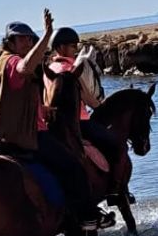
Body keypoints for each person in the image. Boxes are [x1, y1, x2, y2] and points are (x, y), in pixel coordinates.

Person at [0, 10, 114, 231]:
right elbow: (25, 67)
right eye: (22, 39)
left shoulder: (0, 64)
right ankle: (87, 217)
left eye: (30, 39)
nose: (28, 43)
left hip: (6, 133)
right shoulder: (13, 62)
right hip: (27, 135)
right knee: (73, 166)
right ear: (10, 42)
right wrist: (46, 34)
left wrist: (43, 109)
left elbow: (16, 98)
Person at [46, 27, 125, 195]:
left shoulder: (49, 69)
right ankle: (116, 189)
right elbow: (87, 98)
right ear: (60, 47)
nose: (76, 49)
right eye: (73, 46)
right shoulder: (70, 70)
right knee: (116, 145)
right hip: (80, 122)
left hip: (55, 124)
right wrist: (103, 108)